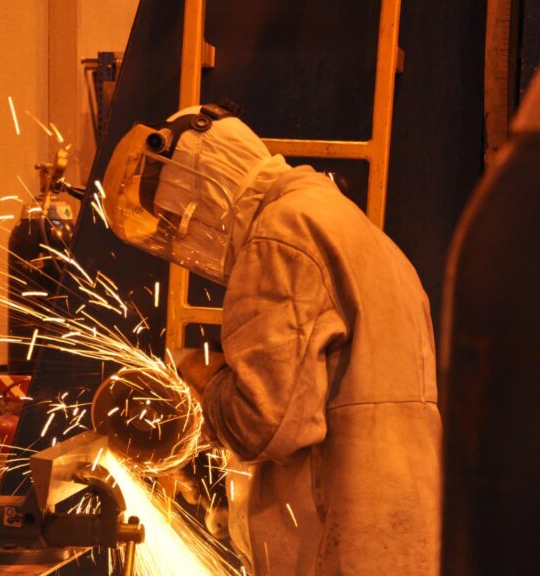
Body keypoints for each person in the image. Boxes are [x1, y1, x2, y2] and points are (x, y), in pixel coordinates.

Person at [101, 102, 441, 575]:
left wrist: (204, 375)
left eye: (176, 220)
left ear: (199, 188)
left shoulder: (280, 235)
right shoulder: (346, 225)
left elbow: (264, 424)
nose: (182, 237)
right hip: (398, 530)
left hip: (339, 540)